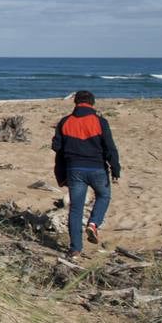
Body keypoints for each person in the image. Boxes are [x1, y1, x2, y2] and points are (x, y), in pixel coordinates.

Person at [52, 90, 121, 258]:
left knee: (75, 209)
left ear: (75, 102)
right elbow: (110, 148)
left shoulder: (65, 122)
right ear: (92, 103)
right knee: (104, 196)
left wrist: (61, 174)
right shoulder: (100, 121)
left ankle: (75, 249)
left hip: (74, 170)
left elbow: (57, 148)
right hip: (97, 169)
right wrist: (115, 169)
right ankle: (93, 223)